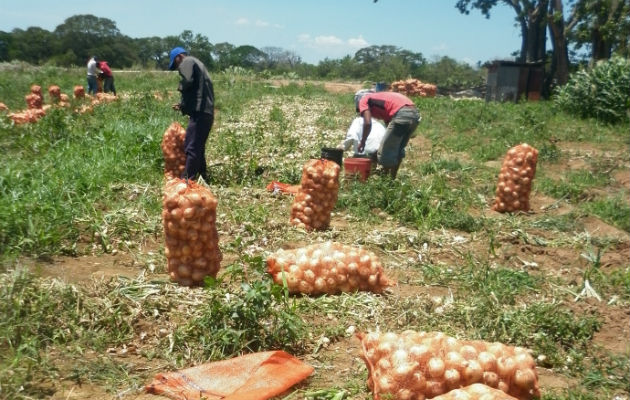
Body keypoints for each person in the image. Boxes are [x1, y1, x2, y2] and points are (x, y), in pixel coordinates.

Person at [168, 46, 215, 182]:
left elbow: (188, 81)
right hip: (206, 112)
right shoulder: (198, 63)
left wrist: (180, 87)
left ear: (178, 57)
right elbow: (197, 89)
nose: (178, 68)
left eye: (176, 64)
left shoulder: (187, 61)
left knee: (191, 146)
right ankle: (203, 177)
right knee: (198, 147)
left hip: (200, 112)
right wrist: (183, 105)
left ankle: (187, 180)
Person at [355, 90, 421, 179]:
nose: (362, 113)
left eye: (361, 111)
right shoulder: (381, 100)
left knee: (385, 152)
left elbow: (367, 123)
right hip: (414, 114)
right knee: (398, 149)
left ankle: (384, 179)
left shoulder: (364, 99)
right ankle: (391, 179)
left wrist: (363, 141)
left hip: (402, 114)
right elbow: (389, 131)